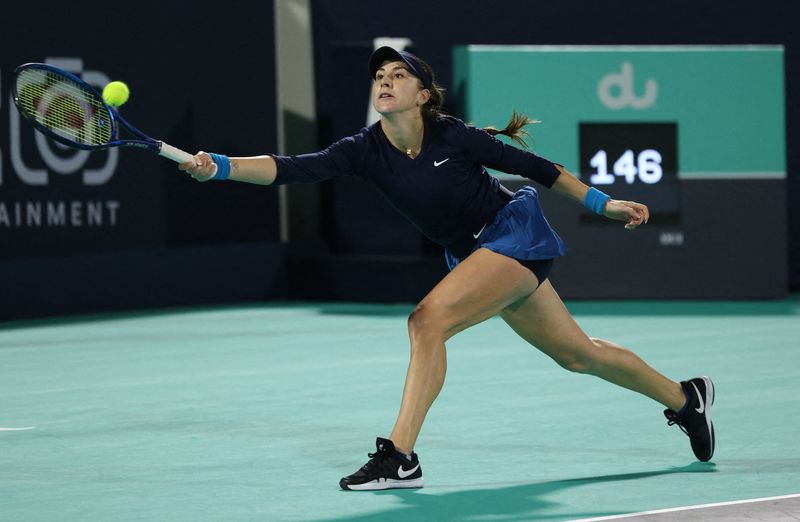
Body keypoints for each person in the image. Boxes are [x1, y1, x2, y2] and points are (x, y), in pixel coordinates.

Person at [180, 46, 715, 491]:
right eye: (380, 76)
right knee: (579, 355)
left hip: (513, 234)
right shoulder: (364, 150)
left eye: (399, 75)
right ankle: (685, 399)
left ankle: (400, 458)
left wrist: (605, 204)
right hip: (475, 256)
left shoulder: (454, 135)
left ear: (423, 95)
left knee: (426, 320)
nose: (385, 82)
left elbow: (540, 169)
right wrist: (219, 168)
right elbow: (290, 169)